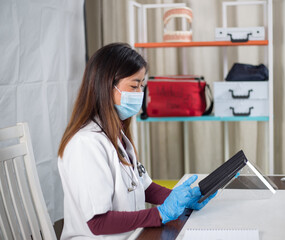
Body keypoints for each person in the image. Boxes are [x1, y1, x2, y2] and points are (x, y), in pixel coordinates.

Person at [57, 43, 216, 239]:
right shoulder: (86, 144)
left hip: (133, 234)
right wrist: (159, 214)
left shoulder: (116, 135)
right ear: (106, 86)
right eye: (134, 86)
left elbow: (144, 186)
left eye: (142, 85)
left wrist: (181, 200)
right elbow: (98, 223)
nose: (140, 93)